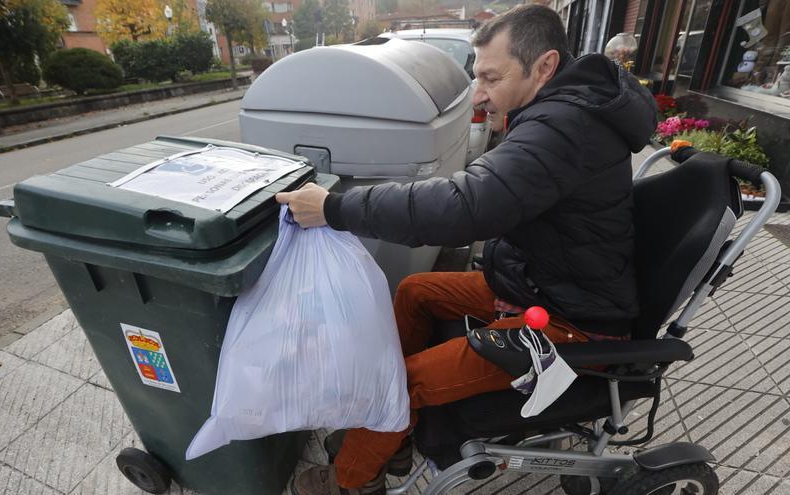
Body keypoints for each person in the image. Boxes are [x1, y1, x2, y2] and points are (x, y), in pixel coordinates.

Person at [276, 5, 658, 495]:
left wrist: (334, 208)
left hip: (574, 322)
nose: (479, 94)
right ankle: (390, 433)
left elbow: (465, 205)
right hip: (540, 283)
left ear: (544, 66)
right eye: (477, 77)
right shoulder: (562, 111)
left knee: (405, 380)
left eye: (491, 78)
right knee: (417, 291)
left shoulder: (563, 129)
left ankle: (352, 478)